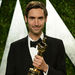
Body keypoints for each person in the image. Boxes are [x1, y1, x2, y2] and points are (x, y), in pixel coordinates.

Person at [6, 1, 66, 75]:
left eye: (40, 18)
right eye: (32, 18)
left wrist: (46, 68)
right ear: (26, 19)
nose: (36, 23)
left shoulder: (57, 44)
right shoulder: (15, 47)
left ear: (46, 19)